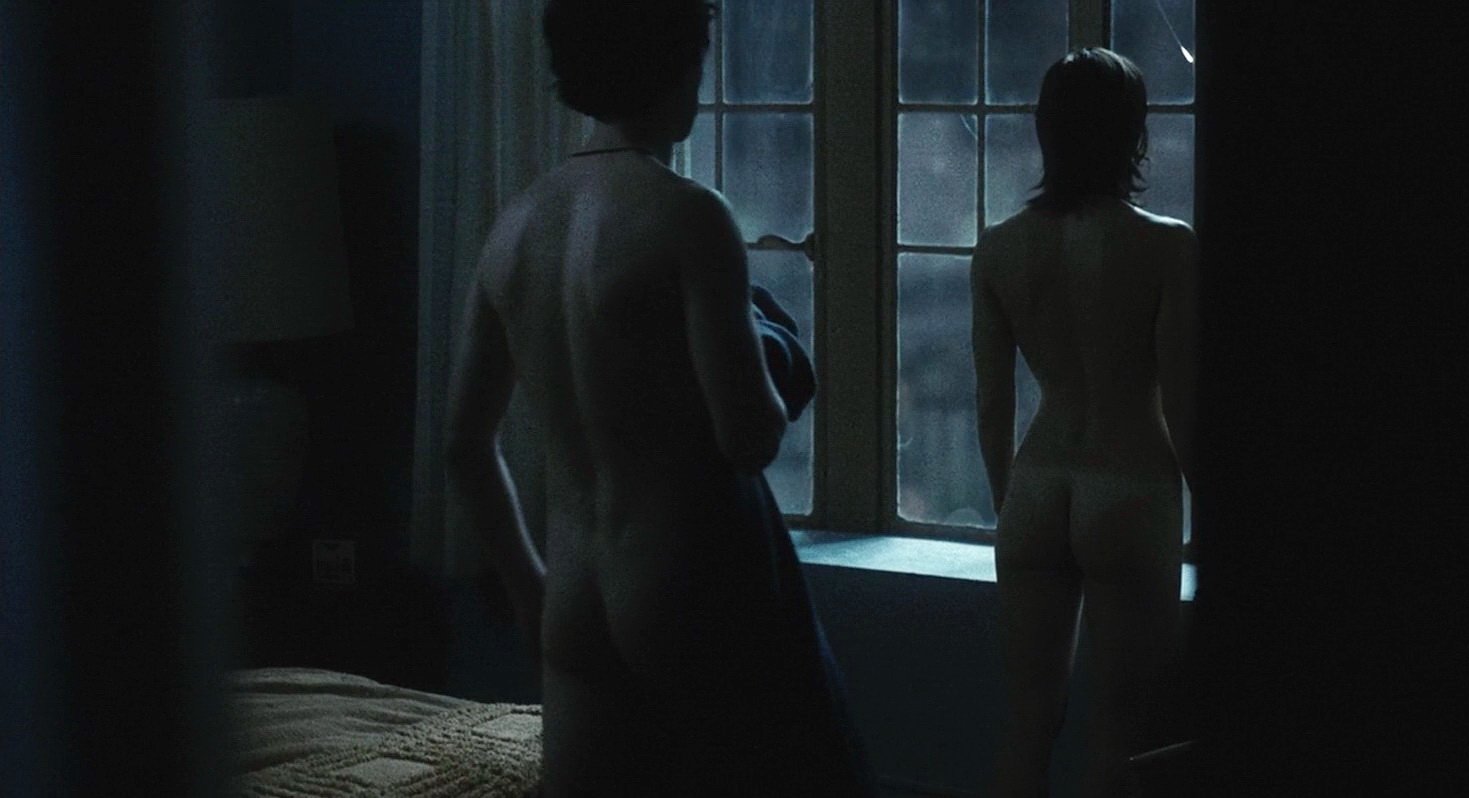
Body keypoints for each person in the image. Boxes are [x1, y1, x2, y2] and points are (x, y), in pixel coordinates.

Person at [442, 1, 870, 793]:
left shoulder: (515, 226)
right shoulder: (687, 215)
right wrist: (774, 342)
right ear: (678, 63)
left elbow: (463, 446)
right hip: (682, 582)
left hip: (572, 591)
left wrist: (528, 586)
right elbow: (750, 436)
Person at [972, 48, 1196, 797]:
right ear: (1133, 134)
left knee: (1028, 722)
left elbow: (993, 403)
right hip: (1129, 485)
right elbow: (1184, 405)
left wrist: (1009, 504)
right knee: (1120, 733)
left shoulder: (999, 248)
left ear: (1047, 132)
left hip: (1036, 487)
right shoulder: (1167, 245)